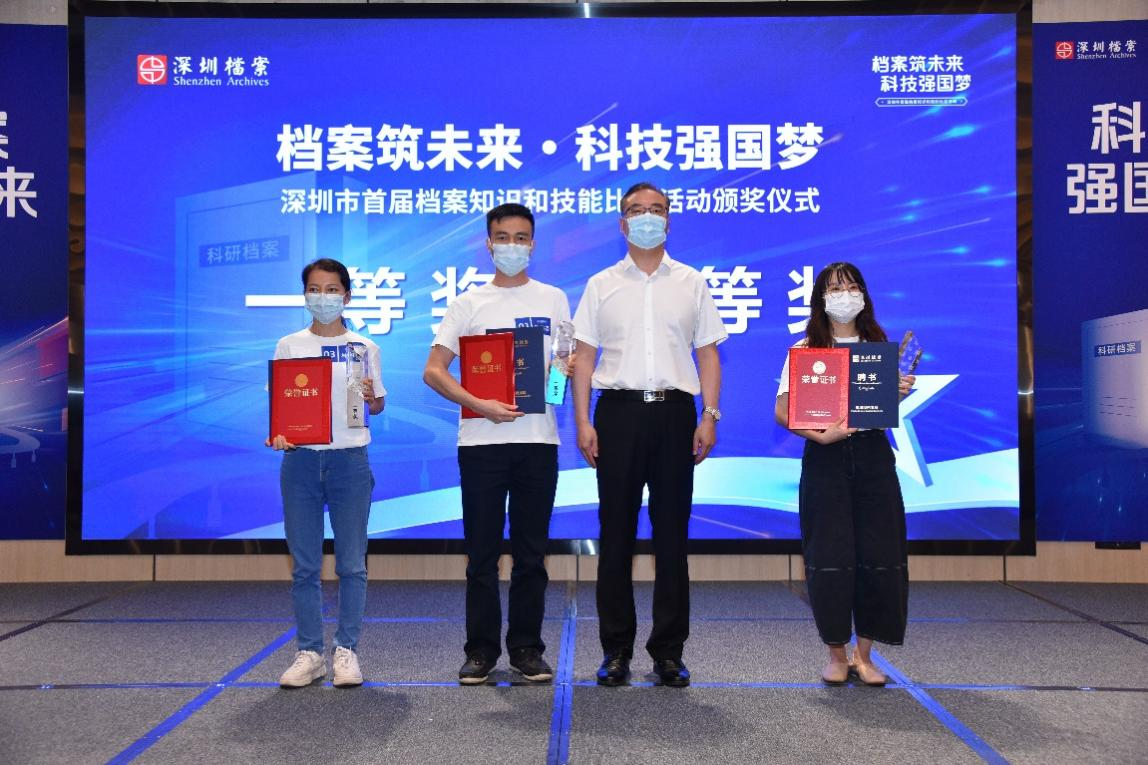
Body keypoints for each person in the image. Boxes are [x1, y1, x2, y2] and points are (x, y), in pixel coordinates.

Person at [572, 182, 727, 688]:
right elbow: (585, 357)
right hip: (617, 414)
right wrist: (583, 421)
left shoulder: (691, 282)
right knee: (615, 535)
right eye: (637, 211)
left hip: (675, 414)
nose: (647, 218)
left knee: (671, 538)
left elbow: (707, 354)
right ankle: (616, 650)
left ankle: (668, 652)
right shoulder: (601, 284)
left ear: (669, 220)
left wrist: (709, 415)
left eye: (656, 210)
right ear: (622, 224)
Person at [423, 203, 572, 685]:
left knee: (531, 554)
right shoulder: (468, 304)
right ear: (488, 244)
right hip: (480, 444)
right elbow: (433, 371)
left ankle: (527, 648)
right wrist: (479, 403)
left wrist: (559, 377)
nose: (512, 246)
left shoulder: (553, 299)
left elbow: (558, 380)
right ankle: (481, 651)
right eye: (503, 237)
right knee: (482, 555)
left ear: (533, 243)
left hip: (537, 441)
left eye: (521, 237)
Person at [773, 262, 914, 687]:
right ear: (821, 298)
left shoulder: (877, 346)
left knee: (879, 555)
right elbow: (783, 411)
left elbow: (875, 409)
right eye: (835, 289)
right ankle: (835, 654)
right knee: (829, 557)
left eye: (852, 287)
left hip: (873, 457)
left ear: (864, 295)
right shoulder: (806, 349)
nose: (845, 295)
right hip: (825, 458)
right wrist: (820, 435)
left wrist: (896, 392)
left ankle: (864, 655)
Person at [267, 258, 384, 689]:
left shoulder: (364, 347)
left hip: (349, 462)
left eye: (332, 289)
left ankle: (346, 650)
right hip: (299, 462)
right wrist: (280, 433)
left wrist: (371, 398)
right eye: (314, 289)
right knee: (305, 566)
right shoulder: (289, 345)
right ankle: (310, 652)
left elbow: (378, 405)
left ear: (346, 296)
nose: (323, 297)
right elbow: (280, 407)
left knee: (352, 564)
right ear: (305, 296)